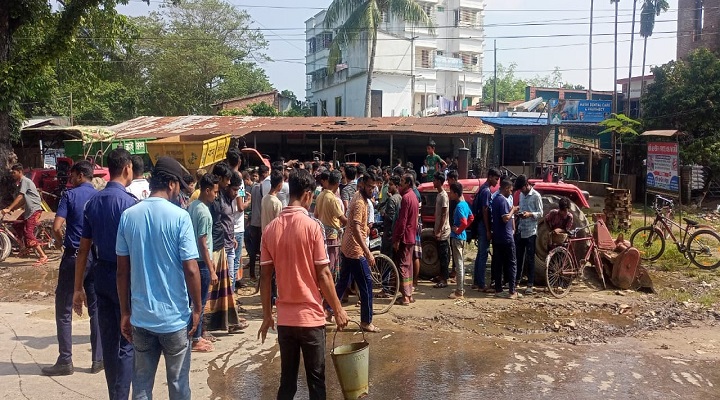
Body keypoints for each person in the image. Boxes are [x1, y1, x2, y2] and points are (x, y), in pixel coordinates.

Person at [116, 156, 202, 400]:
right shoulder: (180, 217)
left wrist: (125, 311)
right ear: (172, 184)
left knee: (141, 385)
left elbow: (122, 270)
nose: (180, 193)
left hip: (141, 319)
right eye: (179, 188)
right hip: (174, 319)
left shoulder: (129, 216)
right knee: (178, 385)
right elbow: (192, 269)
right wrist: (197, 309)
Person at [258, 169, 349, 399]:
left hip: (285, 321)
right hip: (310, 318)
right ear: (308, 195)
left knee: (287, 383)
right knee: (316, 382)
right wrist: (338, 310)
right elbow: (324, 274)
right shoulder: (312, 227)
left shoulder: (270, 230)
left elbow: (265, 277)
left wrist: (267, 315)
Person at [73, 148, 136, 400]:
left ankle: (115, 395)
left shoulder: (93, 203)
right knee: (127, 341)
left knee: (109, 343)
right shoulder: (131, 205)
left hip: (100, 275)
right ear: (127, 168)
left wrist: (77, 288)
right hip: (125, 278)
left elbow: (83, 250)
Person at [42, 161, 103, 376]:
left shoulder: (69, 196)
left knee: (64, 307)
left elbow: (57, 227)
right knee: (95, 308)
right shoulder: (97, 196)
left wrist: (62, 243)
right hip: (95, 258)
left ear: (79, 175)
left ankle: (65, 359)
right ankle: (98, 359)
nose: (70, 178)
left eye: (72, 174)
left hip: (74, 256)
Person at [335, 173, 380, 333]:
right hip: (355, 249)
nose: (372, 190)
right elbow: (354, 227)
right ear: (362, 185)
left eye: (374, 187)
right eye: (370, 187)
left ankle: (327, 309)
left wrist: (366, 227)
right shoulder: (360, 202)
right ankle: (366, 322)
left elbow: (357, 225)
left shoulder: (359, 197)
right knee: (366, 283)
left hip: (347, 247)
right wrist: (367, 252)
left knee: (343, 281)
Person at [206, 171, 247, 334]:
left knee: (229, 282)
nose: (236, 192)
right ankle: (229, 319)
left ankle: (230, 317)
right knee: (227, 283)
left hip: (229, 243)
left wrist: (232, 237)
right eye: (234, 188)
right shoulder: (217, 200)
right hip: (220, 247)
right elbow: (217, 223)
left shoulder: (227, 198)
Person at [187, 174, 220, 352]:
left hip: (192, 259)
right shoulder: (204, 213)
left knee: (193, 300)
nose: (216, 195)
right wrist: (211, 269)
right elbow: (203, 243)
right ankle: (196, 338)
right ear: (207, 190)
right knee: (199, 301)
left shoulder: (192, 206)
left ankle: (193, 335)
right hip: (201, 262)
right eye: (215, 192)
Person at [1, 163, 47, 266]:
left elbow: (20, 197)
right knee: (16, 225)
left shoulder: (25, 181)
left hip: (34, 210)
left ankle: (43, 256)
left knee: (28, 233)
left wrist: (9, 208)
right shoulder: (22, 183)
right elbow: (23, 200)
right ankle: (25, 248)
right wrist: (14, 208)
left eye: (14, 172)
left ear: (20, 172)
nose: (12, 174)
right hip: (28, 211)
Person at [472, 167, 501, 292]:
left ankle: (476, 281)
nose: (497, 182)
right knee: (483, 254)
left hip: (480, 224)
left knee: (480, 254)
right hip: (483, 226)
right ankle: (481, 284)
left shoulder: (482, 189)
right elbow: (485, 210)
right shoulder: (486, 191)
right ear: (490, 177)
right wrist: (488, 229)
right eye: (496, 179)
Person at [314, 170, 347, 280]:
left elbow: (316, 215)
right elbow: (342, 218)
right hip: (332, 236)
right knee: (331, 266)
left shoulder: (320, 195)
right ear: (337, 183)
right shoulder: (333, 199)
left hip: (322, 236)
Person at [393, 174, 419, 306]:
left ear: (408, 183)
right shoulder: (413, 196)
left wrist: (397, 238)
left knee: (402, 266)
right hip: (411, 235)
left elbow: (402, 221)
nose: (400, 184)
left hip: (405, 236)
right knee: (408, 266)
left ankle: (405, 297)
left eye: (402, 181)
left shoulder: (406, 198)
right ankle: (409, 294)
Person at [514, 175, 543, 295]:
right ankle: (516, 281)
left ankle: (530, 284)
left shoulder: (536, 196)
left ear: (527, 185)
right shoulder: (521, 195)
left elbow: (541, 213)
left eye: (522, 189)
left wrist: (530, 214)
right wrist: (519, 214)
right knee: (519, 257)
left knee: (530, 258)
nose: (521, 191)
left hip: (531, 231)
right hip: (521, 229)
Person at [492, 179, 520, 299]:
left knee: (498, 263)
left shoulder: (495, 200)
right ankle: (512, 291)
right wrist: (513, 209)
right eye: (510, 189)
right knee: (512, 263)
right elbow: (505, 218)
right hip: (506, 237)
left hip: (497, 236)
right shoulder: (502, 201)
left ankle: (498, 289)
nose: (511, 192)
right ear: (505, 188)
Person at [448, 182, 473, 299]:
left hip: (458, 238)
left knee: (459, 264)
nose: (450, 194)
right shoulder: (465, 204)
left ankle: (459, 291)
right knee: (461, 263)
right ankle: (460, 288)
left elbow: (464, 221)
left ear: (456, 193)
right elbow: (471, 218)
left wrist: (458, 230)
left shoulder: (459, 206)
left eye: (451, 192)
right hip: (462, 237)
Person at [247, 165, 269, 280]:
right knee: (261, 250)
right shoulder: (263, 188)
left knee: (253, 250)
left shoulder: (253, 187)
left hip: (253, 221)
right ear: (265, 174)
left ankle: (252, 272)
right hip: (260, 222)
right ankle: (261, 273)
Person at [431, 172, 451, 289]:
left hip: (443, 231)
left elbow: (444, 215)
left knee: (444, 256)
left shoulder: (443, 196)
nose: (433, 182)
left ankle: (445, 279)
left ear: (439, 181)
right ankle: (441, 275)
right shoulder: (439, 194)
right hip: (438, 228)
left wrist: (438, 230)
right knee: (440, 254)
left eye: (434, 180)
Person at [380, 175, 401, 260]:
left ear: (396, 186)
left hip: (389, 233)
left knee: (386, 257)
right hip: (395, 233)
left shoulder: (392, 199)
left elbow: (391, 218)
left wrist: (384, 214)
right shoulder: (400, 197)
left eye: (391, 184)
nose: (389, 186)